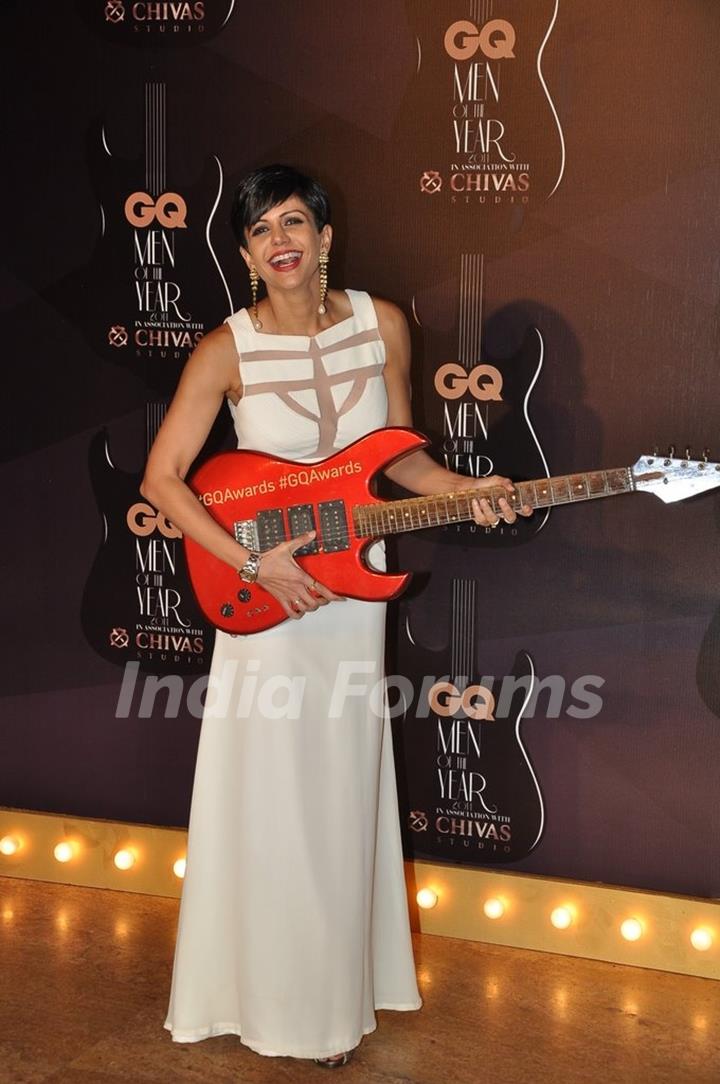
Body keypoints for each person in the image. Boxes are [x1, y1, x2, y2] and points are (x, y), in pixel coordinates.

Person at [142, 164, 531, 1068]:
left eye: (293, 221)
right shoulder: (224, 349)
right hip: (264, 596)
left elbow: (401, 464)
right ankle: (270, 1001)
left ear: (323, 235)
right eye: (259, 230)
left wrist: (470, 491)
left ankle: (332, 993)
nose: (280, 239)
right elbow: (162, 479)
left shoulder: (382, 323)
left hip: (354, 594)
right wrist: (253, 563)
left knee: (341, 787)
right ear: (244, 255)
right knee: (274, 798)